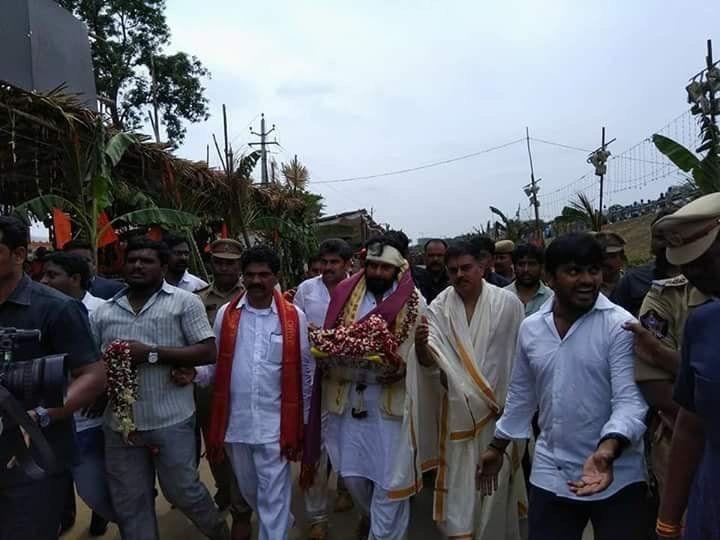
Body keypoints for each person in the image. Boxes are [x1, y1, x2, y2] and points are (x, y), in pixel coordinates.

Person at [478, 232, 649, 540]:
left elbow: (630, 401)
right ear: (550, 277)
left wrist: (607, 449)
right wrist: (496, 446)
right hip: (551, 470)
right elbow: (522, 395)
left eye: (593, 270)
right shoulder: (531, 329)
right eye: (574, 271)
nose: (587, 280)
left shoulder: (618, 325)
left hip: (617, 473)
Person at [91, 237, 228, 540]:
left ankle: (220, 533)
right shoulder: (103, 312)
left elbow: (208, 351)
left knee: (184, 493)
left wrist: (151, 353)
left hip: (172, 419)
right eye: (132, 260)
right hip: (120, 427)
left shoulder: (184, 302)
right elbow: (93, 364)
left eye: (147, 260)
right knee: (131, 503)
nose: (137, 265)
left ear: (163, 267)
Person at [304, 233, 430, 540]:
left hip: (391, 406)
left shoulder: (415, 301)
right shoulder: (346, 293)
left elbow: (425, 355)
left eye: (384, 268)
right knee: (353, 475)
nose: (376, 273)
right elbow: (333, 337)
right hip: (348, 401)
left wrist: (403, 369)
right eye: (372, 265)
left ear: (398, 269)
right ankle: (372, 518)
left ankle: (383, 533)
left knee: (391, 481)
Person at [193, 245, 312, 540]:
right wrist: (193, 374)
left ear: (276, 277)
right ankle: (283, 523)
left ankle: (277, 531)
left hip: (276, 425)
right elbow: (216, 362)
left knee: (272, 495)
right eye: (250, 275)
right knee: (251, 491)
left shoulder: (295, 318)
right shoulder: (227, 314)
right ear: (242, 277)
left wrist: (306, 421)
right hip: (236, 424)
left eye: (264, 275)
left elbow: (306, 372)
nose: (257, 281)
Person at [0, 216, 106, 540]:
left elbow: (94, 374)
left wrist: (41, 416)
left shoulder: (57, 308)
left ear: (19, 255)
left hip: (35, 460)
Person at [417, 238, 526, 539]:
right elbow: (430, 364)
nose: (459, 275)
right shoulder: (439, 308)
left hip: (499, 418)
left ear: (483, 266)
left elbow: (519, 362)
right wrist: (420, 347)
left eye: (466, 268)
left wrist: (516, 411)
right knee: (460, 488)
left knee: (495, 490)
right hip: (457, 417)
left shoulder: (508, 304)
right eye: (453, 271)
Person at [652, 193, 720, 540]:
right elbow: (691, 428)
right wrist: (668, 523)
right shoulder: (704, 324)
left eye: (704, 263)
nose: (694, 277)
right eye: (686, 267)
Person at [40, 252, 116, 535]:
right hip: (48, 418)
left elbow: (112, 359)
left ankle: (134, 520)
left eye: (52, 275)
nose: (44, 280)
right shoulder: (41, 309)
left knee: (94, 489)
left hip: (89, 418)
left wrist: (102, 392)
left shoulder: (102, 311)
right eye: (43, 274)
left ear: (75, 279)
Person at [293, 238, 354, 539]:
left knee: (347, 440)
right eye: (324, 262)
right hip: (312, 377)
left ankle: (346, 489)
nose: (328, 268)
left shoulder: (360, 288)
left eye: (335, 263)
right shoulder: (307, 290)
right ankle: (317, 516)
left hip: (350, 377)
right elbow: (294, 327)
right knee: (315, 444)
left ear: (347, 264)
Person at [195, 239, 252, 540]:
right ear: (212, 264)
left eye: (231, 262)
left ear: (239, 264)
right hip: (210, 385)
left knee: (244, 446)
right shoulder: (198, 299)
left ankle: (243, 504)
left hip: (246, 386)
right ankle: (226, 490)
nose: (225, 267)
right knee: (216, 444)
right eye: (219, 262)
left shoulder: (254, 293)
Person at [612, 209, 680, 316]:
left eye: (673, 236)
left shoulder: (702, 275)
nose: (666, 243)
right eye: (659, 237)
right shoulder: (632, 280)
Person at [504, 242, 554, 317]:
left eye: (531, 264)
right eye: (521, 264)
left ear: (541, 267)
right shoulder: (502, 296)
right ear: (514, 267)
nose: (526, 269)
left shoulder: (551, 298)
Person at [413, 238, 450, 303]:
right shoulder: (415, 281)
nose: (435, 259)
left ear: (446, 257)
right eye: (431, 255)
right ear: (424, 257)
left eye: (440, 255)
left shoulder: (454, 280)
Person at [595, 232, 626, 301]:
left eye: (612, 256)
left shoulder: (633, 283)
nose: (605, 261)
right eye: (601, 256)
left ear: (622, 258)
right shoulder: (588, 289)